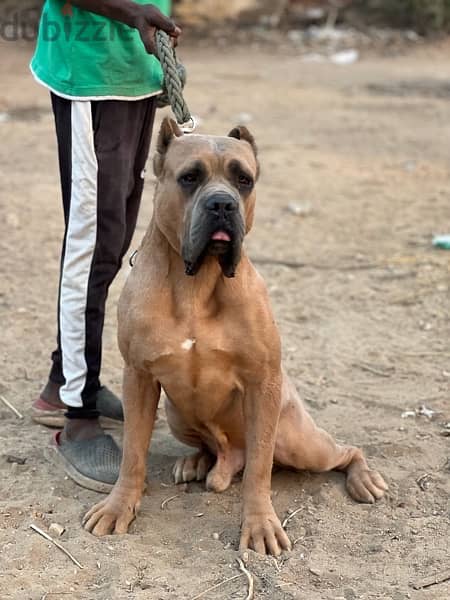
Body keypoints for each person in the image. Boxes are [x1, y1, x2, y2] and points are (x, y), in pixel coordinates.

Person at [30, 0, 180, 492]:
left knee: (112, 242)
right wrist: (130, 14)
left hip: (133, 72)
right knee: (91, 247)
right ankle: (78, 412)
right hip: (90, 77)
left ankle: (65, 381)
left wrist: (157, 59)